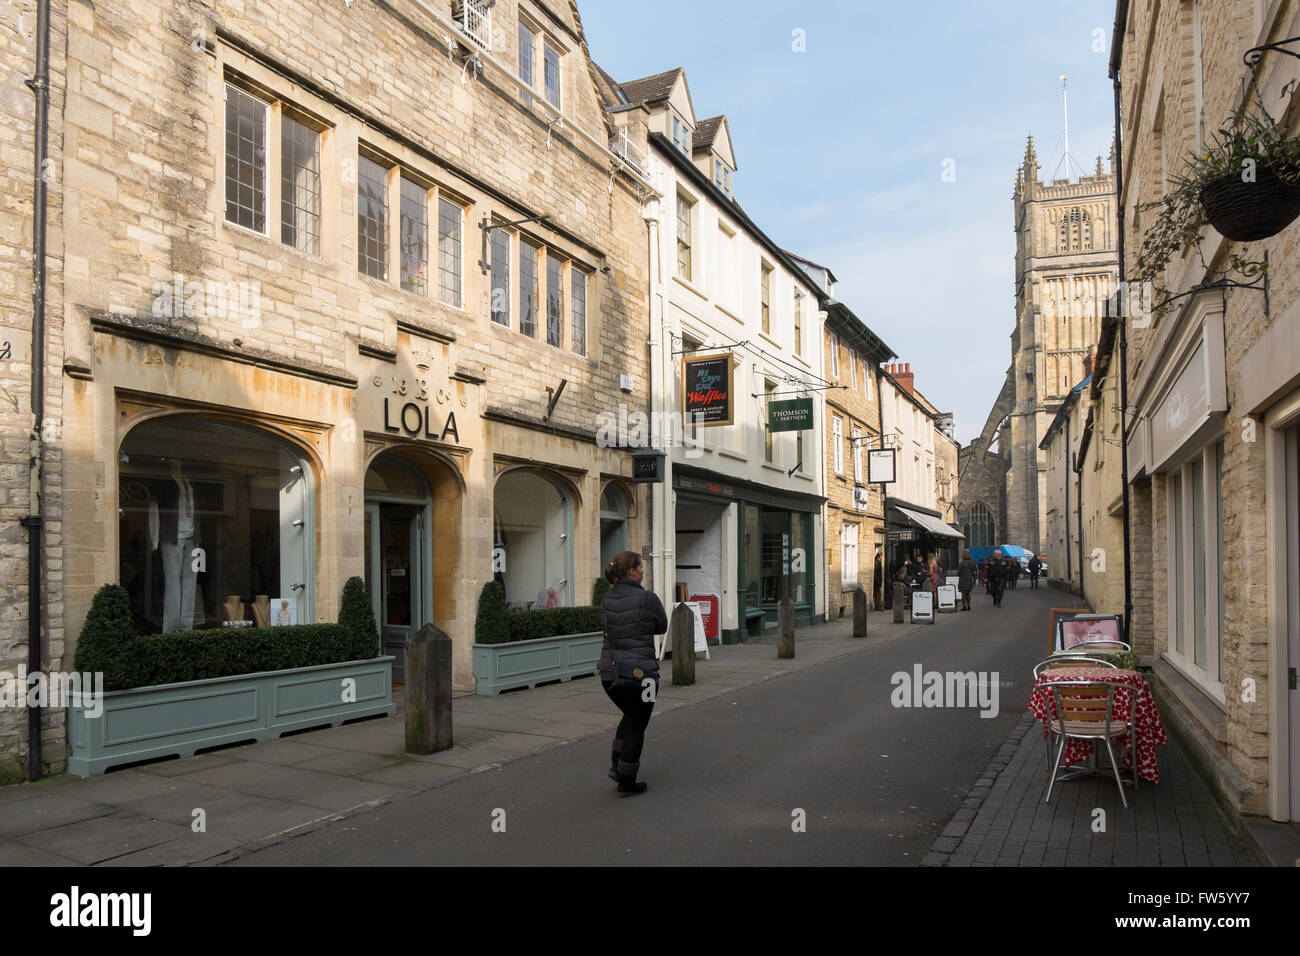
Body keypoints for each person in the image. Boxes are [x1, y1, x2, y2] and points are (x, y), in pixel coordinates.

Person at [597, 550, 667, 796]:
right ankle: (626, 780)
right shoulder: (647, 597)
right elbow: (662, 625)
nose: (643, 571)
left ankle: (617, 765)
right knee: (637, 724)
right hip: (642, 676)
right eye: (640, 567)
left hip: (609, 673)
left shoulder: (606, 598)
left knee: (630, 717)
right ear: (631, 571)